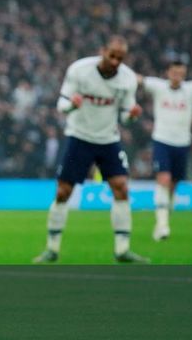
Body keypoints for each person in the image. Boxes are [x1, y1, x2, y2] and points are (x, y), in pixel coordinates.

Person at [33, 35, 149, 263]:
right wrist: (72, 105)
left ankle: (122, 250)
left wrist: (132, 117)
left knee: (121, 188)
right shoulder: (79, 70)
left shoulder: (127, 79)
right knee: (63, 192)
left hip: (108, 139)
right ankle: (52, 248)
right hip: (79, 137)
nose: (116, 61)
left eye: (120, 58)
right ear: (102, 51)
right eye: (112, 55)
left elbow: (125, 117)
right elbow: (62, 104)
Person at [137, 55, 192, 241]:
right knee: (163, 179)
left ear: (185, 75)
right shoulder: (159, 87)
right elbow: (139, 80)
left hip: (183, 143)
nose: (177, 76)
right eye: (174, 73)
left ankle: (162, 221)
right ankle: (163, 225)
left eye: (181, 74)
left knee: (173, 185)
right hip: (162, 141)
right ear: (168, 73)